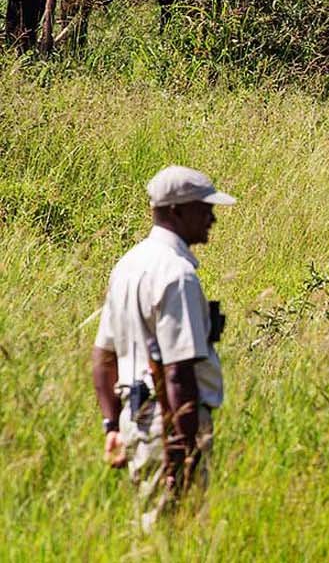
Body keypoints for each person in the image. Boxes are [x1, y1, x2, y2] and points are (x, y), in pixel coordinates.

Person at [91, 165, 236, 530]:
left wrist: (112, 425)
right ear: (177, 211)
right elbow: (177, 372)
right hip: (168, 425)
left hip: (134, 420)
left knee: (150, 527)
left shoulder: (127, 265)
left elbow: (103, 359)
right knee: (175, 534)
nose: (212, 218)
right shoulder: (178, 274)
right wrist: (182, 452)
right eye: (204, 208)